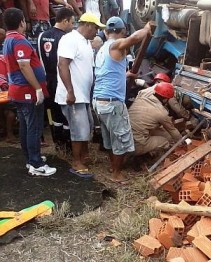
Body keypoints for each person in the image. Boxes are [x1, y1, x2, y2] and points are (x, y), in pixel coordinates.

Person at [92, 17, 151, 182]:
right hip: (112, 102)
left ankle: (113, 167)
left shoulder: (103, 49)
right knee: (121, 139)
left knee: (111, 139)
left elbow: (107, 72)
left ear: (106, 31)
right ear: (122, 32)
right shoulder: (116, 45)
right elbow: (133, 39)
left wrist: (126, 74)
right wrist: (146, 29)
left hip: (99, 100)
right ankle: (117, 174)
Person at [2, 7, 56, 176]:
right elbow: (24, 65)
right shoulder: (18, 40)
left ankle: (31, 158)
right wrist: (38, 88)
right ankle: (36, 164)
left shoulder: (8, 40)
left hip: (18, 90)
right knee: (33, 127)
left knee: (26, 126)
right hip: (27, 91)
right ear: (22, 22)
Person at [55, 12, 105, 177]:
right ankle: (77, 162)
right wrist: (70, 91)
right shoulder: (70, 39)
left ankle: (83, 157)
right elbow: (62, 65)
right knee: (79, 129)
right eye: (96, 28)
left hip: (82, 95)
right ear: (88, 25)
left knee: (87, 127)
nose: (96, 31)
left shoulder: (85, 42)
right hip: (73, 95)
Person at [37, 7, 75, 151]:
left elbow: (40, 60)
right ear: (64, 20)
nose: (72, 26)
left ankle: (58, 143)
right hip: (61, 80)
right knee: (65, 113)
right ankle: (67, 146)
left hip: (47, 80)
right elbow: (64, 64)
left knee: (53, 112)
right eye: (71, 22)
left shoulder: (42, 36)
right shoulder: (65, 38)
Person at [128, 82, 182, 156]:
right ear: (165, 99)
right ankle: (158, 159)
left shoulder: (142, 96)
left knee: (161, 131)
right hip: (134, 146)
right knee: (165, 141)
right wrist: (181, 142)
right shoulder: (161, 112)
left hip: (123, 136)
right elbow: (172, 130)